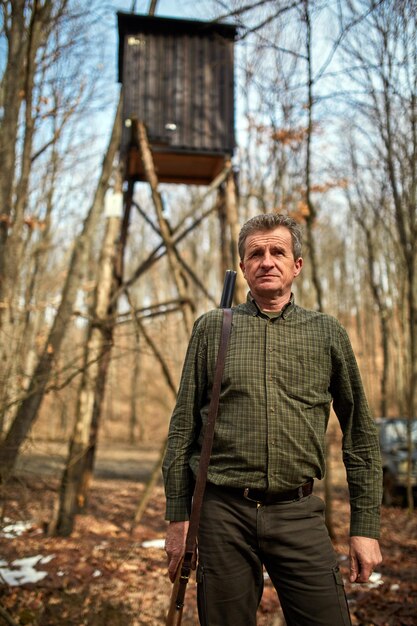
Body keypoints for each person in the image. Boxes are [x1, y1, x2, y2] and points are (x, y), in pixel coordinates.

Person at [163, 213, 382, 626]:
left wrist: (365, 526)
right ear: (243, 267)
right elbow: (182, 429)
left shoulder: (327, 333)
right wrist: (178, 518)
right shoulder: (213, 328)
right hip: (222, 513)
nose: (267, 261)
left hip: (298, 513)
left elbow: (361, 433)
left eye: (277, 251)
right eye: (256, 253)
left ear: (296, 265)